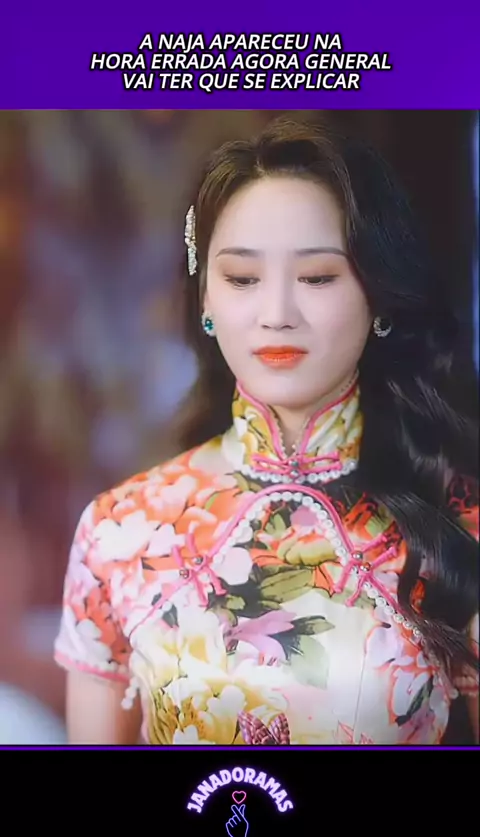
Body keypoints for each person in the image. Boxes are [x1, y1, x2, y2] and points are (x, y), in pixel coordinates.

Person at [54, 119, 479, 745]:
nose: (277, 315)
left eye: (318, 277)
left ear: (379, 298)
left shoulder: (459, 524)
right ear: (206, 298)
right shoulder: (122, 530)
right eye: (242, 279)